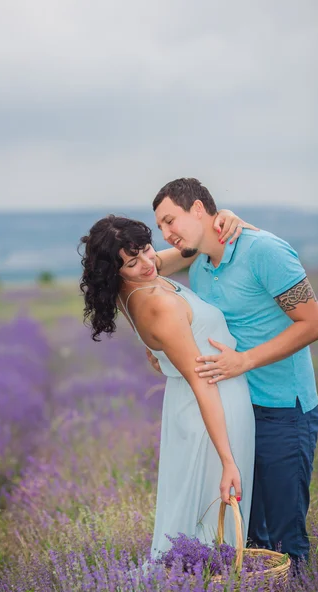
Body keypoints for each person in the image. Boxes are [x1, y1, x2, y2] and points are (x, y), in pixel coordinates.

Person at [151, 177, 318, 563]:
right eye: (160, 227)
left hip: (283, 410)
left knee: (286, 539)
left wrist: (244, 361)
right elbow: (156, 274)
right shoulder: (199, 266)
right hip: (236, 415)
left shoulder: (265, 251)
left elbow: (315, 325)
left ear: (198, 209)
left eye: (170, 221)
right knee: (246, 539)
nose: (166, 234)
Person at [79, 211, 257, 559]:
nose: (148, 262)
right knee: (211, 524)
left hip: (194, 404)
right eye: (133, 261)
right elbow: (200, 382)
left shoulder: (140, 279)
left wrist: (230, 222)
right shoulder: (157, 304)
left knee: (201, 524)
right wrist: (227, 461)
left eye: (146, 249)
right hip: (210, 410)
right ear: (114, 271)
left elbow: (192, 249)